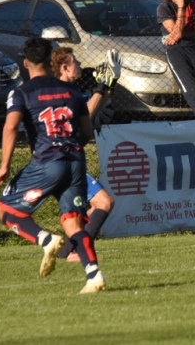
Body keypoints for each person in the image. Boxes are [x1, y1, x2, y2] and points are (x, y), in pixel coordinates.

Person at [0, 37, 105, 294]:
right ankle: (94, 275)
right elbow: (86, 133)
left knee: (4, 210)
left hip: (46, 164)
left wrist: (4, 166)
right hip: (75, 161)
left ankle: (45, 239)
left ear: (26, 62)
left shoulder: (22, 92)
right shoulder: (73, 91)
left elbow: (10, 127)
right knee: (74, 225)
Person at [51, 46, 120, 262]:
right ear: (64, 68)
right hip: (61, 160)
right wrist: (101, 86)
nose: (80, 64)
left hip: (68, 160)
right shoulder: (60, 92)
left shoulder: (71, 91)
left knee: (83, 214)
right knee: (104, 203)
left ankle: (64, 253)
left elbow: (94, 106)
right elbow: (87, 114)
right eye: (76, 62)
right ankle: (77, 252)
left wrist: (112, 81)